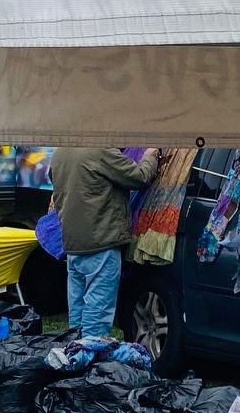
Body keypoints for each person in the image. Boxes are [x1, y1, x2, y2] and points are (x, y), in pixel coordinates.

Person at [49, 147, 158, 345]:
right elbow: (139, 177)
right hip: (101, 243)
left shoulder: (60, 153)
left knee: (77, 314)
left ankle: (75, 355)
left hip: (73, 244)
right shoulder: (101, 152)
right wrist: (150, 156)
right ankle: (91, 357)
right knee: (96, 317)